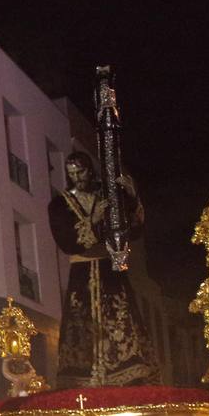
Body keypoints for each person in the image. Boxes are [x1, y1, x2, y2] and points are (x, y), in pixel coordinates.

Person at [47, 151, 156, 386]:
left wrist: (132, 196)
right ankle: (80, 374)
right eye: (72, 173)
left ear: (90, 170)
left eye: (81, 172)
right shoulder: (58, 205)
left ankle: (127, 371)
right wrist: (93, 220)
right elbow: (66, 242)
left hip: (110, 267)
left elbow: (132, 230)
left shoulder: (108, 196)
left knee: (120, 316)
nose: (78, 178)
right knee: (81, 321)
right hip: (81, 272)